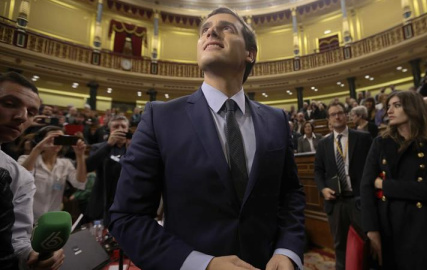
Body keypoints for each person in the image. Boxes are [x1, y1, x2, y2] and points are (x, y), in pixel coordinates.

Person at [108, 7, 305, 270]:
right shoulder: (160, 118)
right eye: (205, 29)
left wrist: (287, 250)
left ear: (250, 53)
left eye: (227, 27)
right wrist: (202, 265)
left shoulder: (277, 120)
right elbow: (127, 217)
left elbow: (290, 194)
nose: (211, 31)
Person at [361, 91, 427, 269]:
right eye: (388, 106)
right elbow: (366, 187)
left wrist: (384, 185)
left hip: (426, 229)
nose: (389, 111)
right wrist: (371, 229)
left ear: (413, 108)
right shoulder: (381, 142)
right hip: (389, 228)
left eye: (396, 105)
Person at [0, 71, 64, 269]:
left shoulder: (18, 176)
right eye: (10, 104)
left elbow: (17, 240)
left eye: (32, 112)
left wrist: (32, 256)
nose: (22, 117)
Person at [314, 102, 372, 270]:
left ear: (346, 115)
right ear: (329, 120)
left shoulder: (363, 138)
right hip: (335, 202)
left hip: (359, 200)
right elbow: (318, 171)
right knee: (340, 243)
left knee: (365, 240)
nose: (337, 116)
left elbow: (372, 165)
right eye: (333, 114)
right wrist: (322, 188)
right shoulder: (323, 144)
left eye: (340, 113)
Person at [18, 125, 87, 221]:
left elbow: (80, 183)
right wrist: (38, 148)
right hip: (27, 217)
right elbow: (21, 176)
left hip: (51, 219)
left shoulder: (65, 164)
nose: (55, 142)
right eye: (51, 138)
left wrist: (80, 156)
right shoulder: (26, 159)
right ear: (41, 140)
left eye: (60, 139)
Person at [85, 115, 131, 225]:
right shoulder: (98, 147)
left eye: (123, 126)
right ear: (110, 130)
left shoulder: (133, 149)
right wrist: (109, 145)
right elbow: (88, 166)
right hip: (102, 200)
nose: (120, 129)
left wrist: (131, 149)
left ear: (127, 129)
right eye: (116, 126)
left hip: (124, 202)